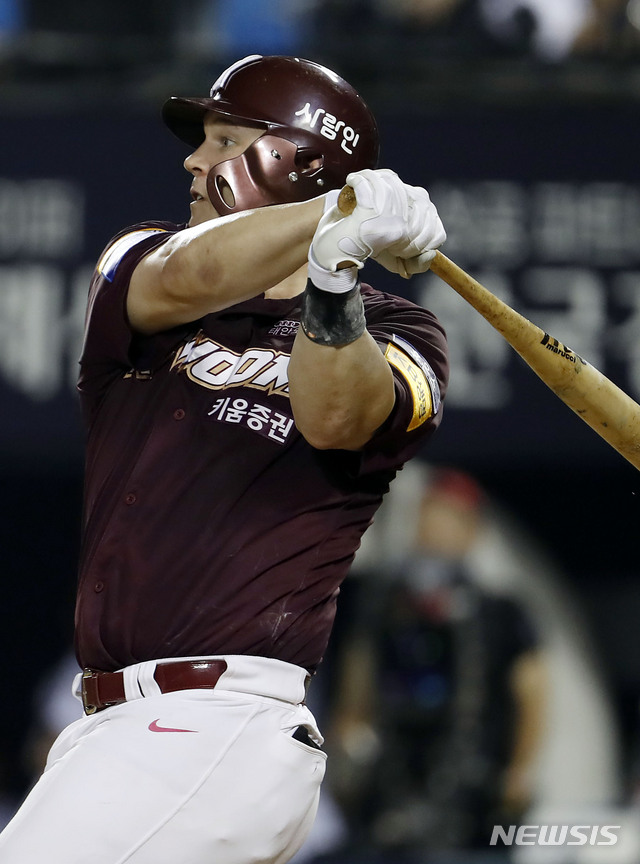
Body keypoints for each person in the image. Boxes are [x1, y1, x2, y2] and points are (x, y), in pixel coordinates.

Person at [0, 54, 449, 864]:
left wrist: (334, 276)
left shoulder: (405, 333)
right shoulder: (146, 265)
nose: (193, 160)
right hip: (111, 730)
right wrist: (333, 219)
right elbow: (188, 273)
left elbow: (338, 416)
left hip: (217, 721)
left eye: (223, 138)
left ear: (298, 159)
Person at [325, 467, 546, 853]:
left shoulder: (501, 611)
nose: (432, 530)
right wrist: (348, 740)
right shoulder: (382, 601)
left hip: (473, 773)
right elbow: (359, 672)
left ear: (471, 530)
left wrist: (519, 771)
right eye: (428, 516)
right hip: (391, 767)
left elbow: (532, 691)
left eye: (447, 518)